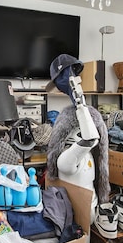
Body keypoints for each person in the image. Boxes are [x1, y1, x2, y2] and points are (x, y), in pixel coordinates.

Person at [46, 55, 110, 223]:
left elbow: (91, 139)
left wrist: (80, 103)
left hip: (89, 200)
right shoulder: (66, 160)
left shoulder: (87, 119)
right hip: (74, 203)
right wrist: (79, 102)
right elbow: (90, 140)